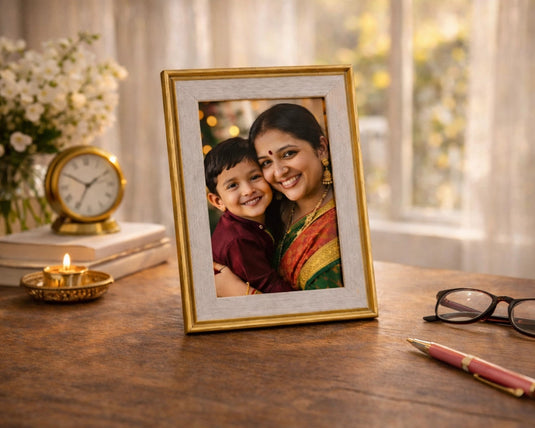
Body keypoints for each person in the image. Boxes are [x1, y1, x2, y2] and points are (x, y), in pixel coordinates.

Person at [215, 103, 343, 294]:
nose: (279, 172)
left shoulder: (341, 228)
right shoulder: (272, 206)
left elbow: (322, 316)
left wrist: (235, 290)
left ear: (322, 148)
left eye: (289, 154)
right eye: (266, 163)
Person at [205, 137, 294, 295]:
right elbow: (270, 289)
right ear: (218, 201)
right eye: (233, 185)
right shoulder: (238, 241)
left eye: (255, 177)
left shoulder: (269, 211)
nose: (248, 190)